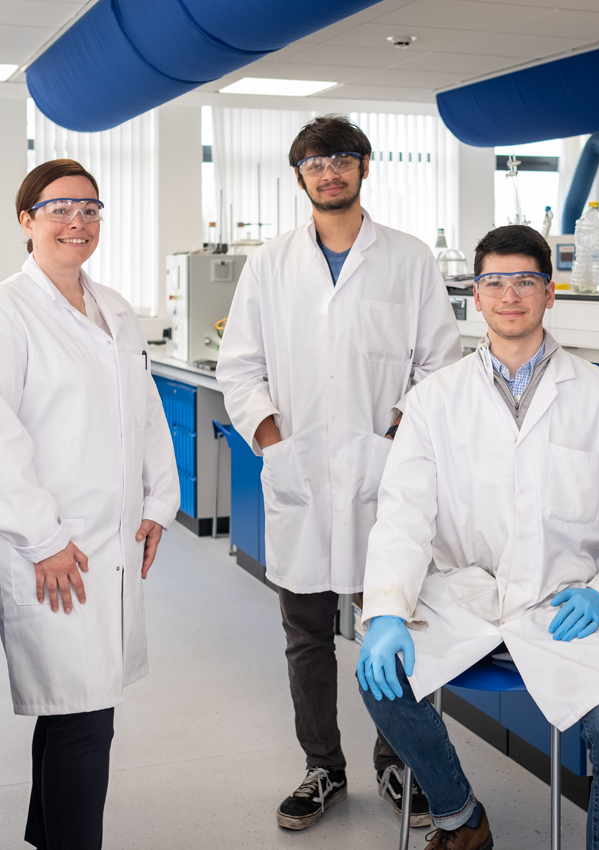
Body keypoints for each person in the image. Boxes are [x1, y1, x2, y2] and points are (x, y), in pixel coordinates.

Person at [357, 225, 599, 850]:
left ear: (549, 293)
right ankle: (461, 817)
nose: (509, 295)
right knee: (379, 676)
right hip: (465, 596)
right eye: (494, 283)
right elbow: (403, 515)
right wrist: (385, 611)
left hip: (566, 602)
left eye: (525, 282)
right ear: (475, 297)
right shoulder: (433, 401)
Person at [216, 114, 461, 831]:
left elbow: (438, 367)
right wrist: (273, 441)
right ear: (299, 176)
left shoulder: (409, 259)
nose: (330, 171)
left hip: (385, 478)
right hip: (301, 478)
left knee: (393, 622)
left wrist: (395, 438)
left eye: (343, 158)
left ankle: (396, 755)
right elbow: (240, 367)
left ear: (364, 167)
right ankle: (322, 766)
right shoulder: (268, 264)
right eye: (316, 162)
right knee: (306, 632)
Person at [0, 159, 180, 850]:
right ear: (27, 221)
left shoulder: (114, 308)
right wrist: (42, 539)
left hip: (111, 543)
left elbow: (144, 414)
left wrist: (160, 504)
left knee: (80, 707)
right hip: (52, 547)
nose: (77, 222)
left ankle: (48, 836)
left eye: (90, 209)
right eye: (59, 209)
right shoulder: (12, 311)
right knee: (83, 715)